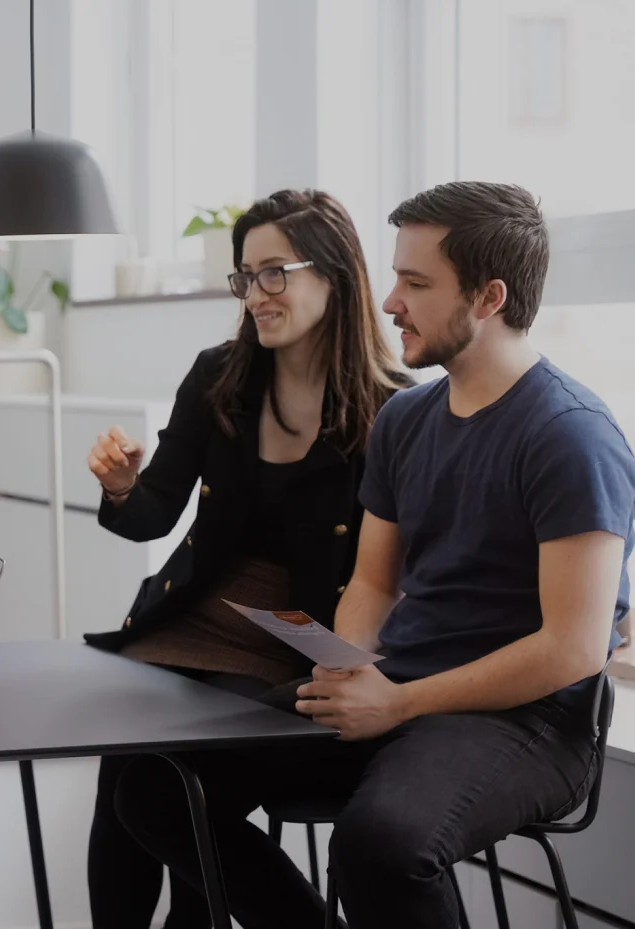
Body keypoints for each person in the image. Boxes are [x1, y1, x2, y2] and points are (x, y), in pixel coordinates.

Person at [113, 181, 635, 929]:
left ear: (488, 298)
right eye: (396, 277)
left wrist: (399, 699)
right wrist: (348, 658)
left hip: (526, 719)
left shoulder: (571, 435)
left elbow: (575, 647)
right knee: (156, 782)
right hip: (402, 688)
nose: (389, 301)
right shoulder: (406, 419)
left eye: (416, 284)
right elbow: (372, 581)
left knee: (379, 842)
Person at [83, 189, 411, 929]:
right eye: (245, 275)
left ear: (333, 274)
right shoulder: (218, 376)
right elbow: (152, 515)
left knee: (185, 769)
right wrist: (121, 485)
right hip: (197, 612)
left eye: (274, 273)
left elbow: (393, 574)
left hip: (297, 636)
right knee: (125, 756)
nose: (255, 294)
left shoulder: (394, 408)